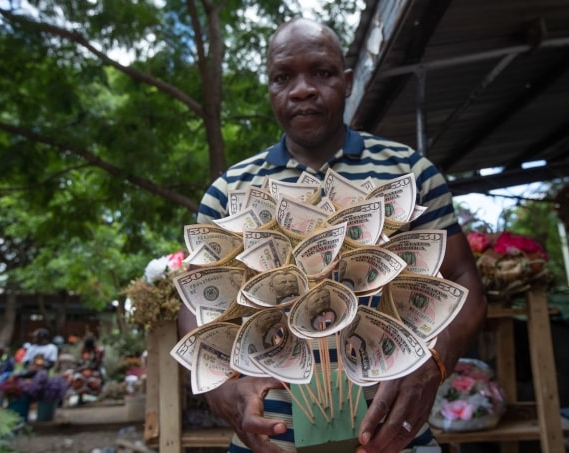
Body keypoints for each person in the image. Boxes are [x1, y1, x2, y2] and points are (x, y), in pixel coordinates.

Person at [178, 17, 487, 453]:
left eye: (320, 73)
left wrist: (432, 364)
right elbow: (195, 306)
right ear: (269, 88)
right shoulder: (229, 192)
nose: (302, 89)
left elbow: (463, 282)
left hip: (392, 433)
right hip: (271, 438)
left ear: (346, 82)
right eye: (283, 77)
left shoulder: (410, 173)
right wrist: (219, 388)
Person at [67, 337, 105, 405]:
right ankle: (77, 396)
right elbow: (80, 364)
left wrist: (90, 369)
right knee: (77, 379)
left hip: (96, 370)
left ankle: (97, 394)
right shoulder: (84, 350)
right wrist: (81, 370)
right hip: (83, 370)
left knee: (98, 378)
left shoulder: (98, 350)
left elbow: (97, 363)